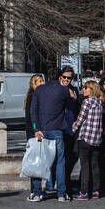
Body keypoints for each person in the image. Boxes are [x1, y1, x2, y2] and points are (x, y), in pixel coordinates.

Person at [30, 67, 78, 200]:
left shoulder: (39, 90)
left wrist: (36, 128)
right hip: (58, 129)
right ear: (60, 78)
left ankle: (37, 193)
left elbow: (33, 111)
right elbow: (71, 107)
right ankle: (61, 194)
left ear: (47, 77)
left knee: (40, 162)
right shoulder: (63, 90)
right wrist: (73, 98)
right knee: (60, 162)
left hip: (42, 130)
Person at [73, 80, 105, 199]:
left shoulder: (87, 102)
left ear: (91, 89)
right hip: (96, 138)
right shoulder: (99, 102)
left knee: (85, 165)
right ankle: (96, 190)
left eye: (86, 88)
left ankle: (84, 192)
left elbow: (81, 119)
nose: (83, 90)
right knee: (95, 165)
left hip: (86, 137)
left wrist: (73, 128)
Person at [24, 73, 47, 202]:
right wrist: (35, 129)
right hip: (34, 133)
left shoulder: (35, 96)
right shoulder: (34, 97)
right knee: (35, 162)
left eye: (42, 80)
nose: (42, 83)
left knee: (37, 161)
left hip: (34, 132)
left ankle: (36, 190)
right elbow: (32, 117)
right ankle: (35, 190)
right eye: (39, 81)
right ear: (34, 84)